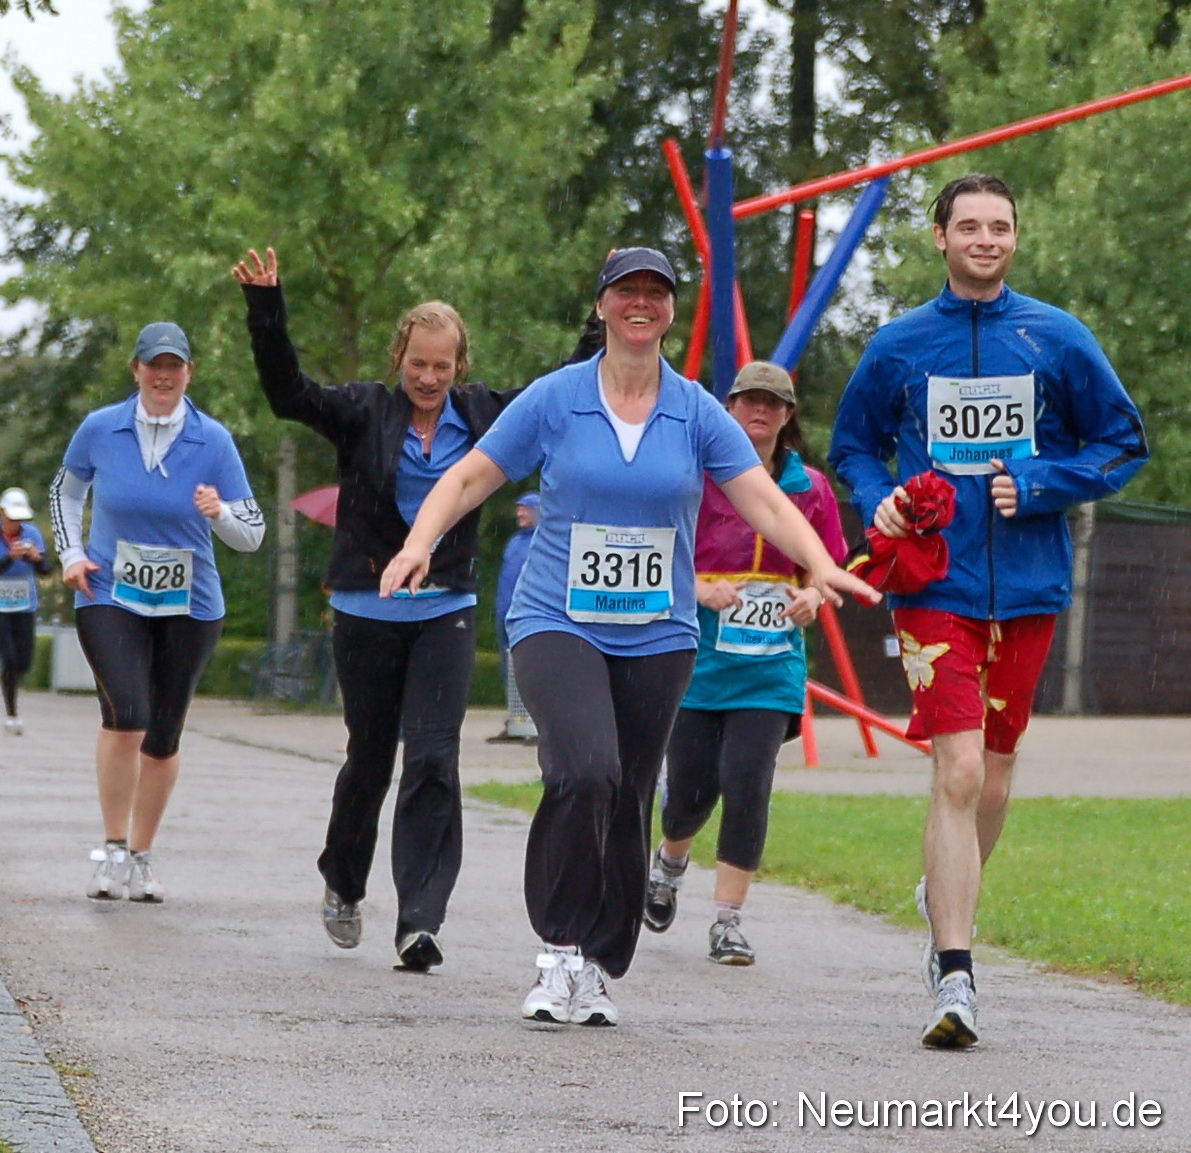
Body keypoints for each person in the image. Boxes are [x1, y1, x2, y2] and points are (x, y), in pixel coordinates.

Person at [382, 247, 875, 1025]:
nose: (639, 303)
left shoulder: (695, 411)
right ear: (603, 304)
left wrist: (819, 562)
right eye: (625, 291)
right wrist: (419, 542)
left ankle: (598, 964)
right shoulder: (555, 398)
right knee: (585, 770)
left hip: (657, 632)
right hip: (557, 619)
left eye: (655, 292)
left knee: (629, 791)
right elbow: (472, 474)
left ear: (670, 310)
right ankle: (556, 951)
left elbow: (761, 499)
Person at [829, 173, 1147, 1049]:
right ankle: (954, 972)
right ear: (939, 237)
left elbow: (1122, 441)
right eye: (967, 225)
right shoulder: (898, 344)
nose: (984, 239)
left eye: (998, 226)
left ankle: (944, 890)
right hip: (933, 585)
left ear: (1013, 237)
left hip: (1030, 587)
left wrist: (1042, 481)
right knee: (959, 771)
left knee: (995, 777)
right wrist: (882, 501)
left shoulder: (1056, 337)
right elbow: (852, 447)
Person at [233, 246, 522, 973]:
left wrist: (601, 318)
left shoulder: (485, 415)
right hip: (367, 608)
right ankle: (343, 878)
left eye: (442, 366)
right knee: (369, 759)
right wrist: (266, 309)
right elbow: (288, 393)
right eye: (417, 363)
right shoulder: (363, 410)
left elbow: (560, 389)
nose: (428, 378)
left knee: (434, 757)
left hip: (446, 608)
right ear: (399, 357)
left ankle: (419, 920)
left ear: (460, 366)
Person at [50, 321, 264, 904]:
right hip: (110, 593)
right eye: (153, 365)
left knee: (163, 734)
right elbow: (65, 491)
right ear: (136, 370)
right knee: (128, 713)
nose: (163, 376)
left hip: (189, 605)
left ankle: (142, 857)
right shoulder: (101, 428)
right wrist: (71, 554)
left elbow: (252, 535)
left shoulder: (213, 441)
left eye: (174, 366)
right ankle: (112, 850)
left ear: (189, 372)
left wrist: (220, 513)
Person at [642, 360, 846, 966]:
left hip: (770, 666)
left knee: (749, 781)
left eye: (772, 403)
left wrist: (812, 596)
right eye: (749, 400)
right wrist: (700, 588)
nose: (760, 411)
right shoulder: (697, 476)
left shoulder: (811, 488)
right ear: (728, 408)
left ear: (787, 416)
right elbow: (659, 552)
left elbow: (828, 565)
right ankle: (669, 863)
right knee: (690, 791)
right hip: (698, 660)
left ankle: (727, 921)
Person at [0, 487, 52, 735]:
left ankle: (10, 679)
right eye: (12, 518)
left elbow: (47, 570)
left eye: (20, 519)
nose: (16, 524)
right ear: (1, 513)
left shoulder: (32, 534)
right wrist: (10, 557)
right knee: (9, 658)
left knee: (24, 661)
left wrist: (35, 558)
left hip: (24, 605)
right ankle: (11, 714)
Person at [488, 492, 542, 743]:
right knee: (509, 670)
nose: (519, 513)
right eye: (518, 508)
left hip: (529, 614)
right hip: (505, 613)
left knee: (534, 670)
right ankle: (516, 722)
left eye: (525, 508)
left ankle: (538, 725)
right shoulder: (514, 541)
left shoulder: (543, 540)